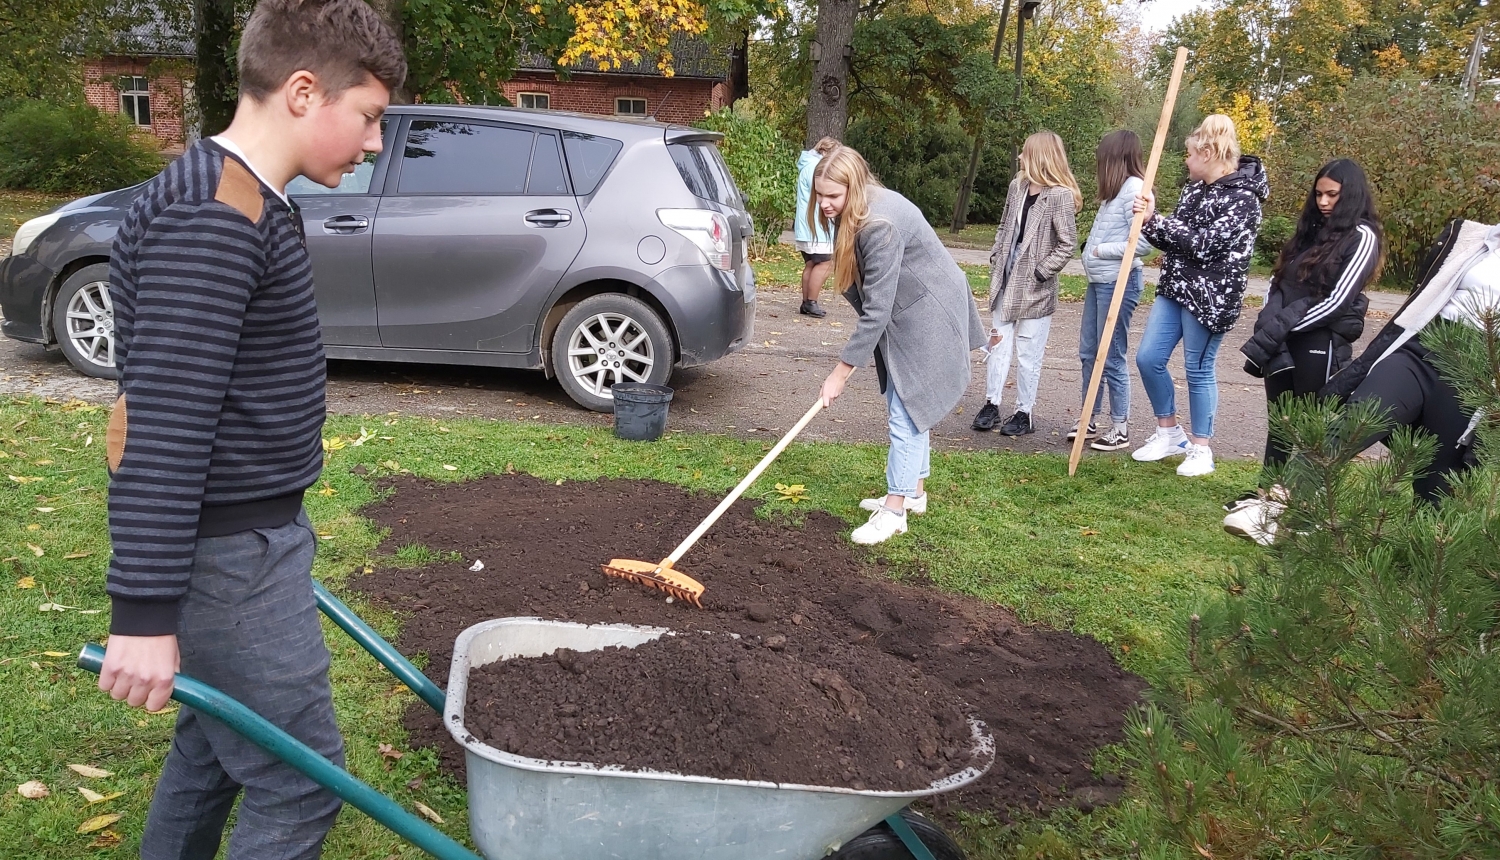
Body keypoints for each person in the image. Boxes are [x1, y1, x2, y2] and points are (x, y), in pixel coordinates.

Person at [95, 1, 405, 857]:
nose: (376, 143)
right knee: (300, 783)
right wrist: (146, 614)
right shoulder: (215, 218)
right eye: (369, 117)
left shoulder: (244, 199)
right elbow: (163, 423)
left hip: (246, 540)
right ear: (304, 92)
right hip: (228, 558)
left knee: (216, 753)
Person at [813, 145, 986, 545]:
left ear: (854, 189)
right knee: (906, 398)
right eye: (820, 194)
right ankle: (915, 493)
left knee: (905, 406)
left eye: (833, 196)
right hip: (910, 306)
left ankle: (894, 511)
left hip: (928, 311)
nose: (824, 204)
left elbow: (877, 310)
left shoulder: (880, 226)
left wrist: (840, 374)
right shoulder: (855, 210)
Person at [1225, 159, 1382, 543]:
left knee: (1313, 428)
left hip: (1319, 343)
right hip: (1282, 340)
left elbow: (1338, 301)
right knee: (1280, 422)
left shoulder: (1363, 236)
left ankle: (1308, 508)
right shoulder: (1310, 233)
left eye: (1333, 194)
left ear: (1351, 195)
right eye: (1319, 193)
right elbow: (1279, 284)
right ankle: (1267, 497)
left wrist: (1283, 328)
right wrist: (1271, 324)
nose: (1324, 201)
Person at [1131, 114, 1268, 476]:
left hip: (1212, 295)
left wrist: (1156, 221)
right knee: (1148, 358)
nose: (1186, 161)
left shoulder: (1244, 198)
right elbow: (1174, 237)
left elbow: (1205, 245)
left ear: (1208, 153)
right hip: (1176, 286)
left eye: (1190, 154)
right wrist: (1150, 220)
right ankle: (1168, 432)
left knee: (1198, 369)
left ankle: (1201, 448)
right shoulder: (1194, 189)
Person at [971, 131, 1081, 437]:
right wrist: (996, 254)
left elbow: (1067, 243)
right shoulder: (1017, 186)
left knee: (1029, 351)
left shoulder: (1059, 195)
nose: (1020, 157)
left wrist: (1041, 271)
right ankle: (991, 404)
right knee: (997, 344)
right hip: (1006, 280)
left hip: (1035, 288)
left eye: (1025, 152)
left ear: (1041, 156)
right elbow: (1005, 224)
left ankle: (1024, 412)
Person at [1074, 130, 1153, 451]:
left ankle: (1120, 426)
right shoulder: (1115, 192)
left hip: (1119, 283)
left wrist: (1099, 251)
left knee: (1111, 355)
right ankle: (1087, 417)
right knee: (1089, 353)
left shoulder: (1134, 189)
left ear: (1114, 159)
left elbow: (1144, 243)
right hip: (1099, 282)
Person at [794, 136, 840, 317]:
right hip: (816, 226)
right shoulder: (817, 168)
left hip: (805, 226)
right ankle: (811, 302)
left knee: (812, 263)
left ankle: (806, 302)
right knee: (825, 263)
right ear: (826, 152)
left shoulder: (807, 165)